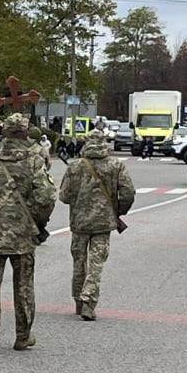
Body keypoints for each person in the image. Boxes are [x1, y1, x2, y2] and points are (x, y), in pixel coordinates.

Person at [0, 113, 56, 356]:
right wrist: (36, 218)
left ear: (4, 133)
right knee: (24, 285)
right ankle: (22, 336)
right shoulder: (35, 161)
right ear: (26, 134)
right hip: (23, 235)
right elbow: (47, 197)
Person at [59, 128, 135, 321]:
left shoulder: (75, 166)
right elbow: (128, 192)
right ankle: (88, 300)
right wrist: (119, 211)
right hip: (103, 222)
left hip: (79, 222)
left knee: (78, 261)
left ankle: (77, 299)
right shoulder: (115, 165)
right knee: (96, 262)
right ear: (104, 142)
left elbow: (64, 196)